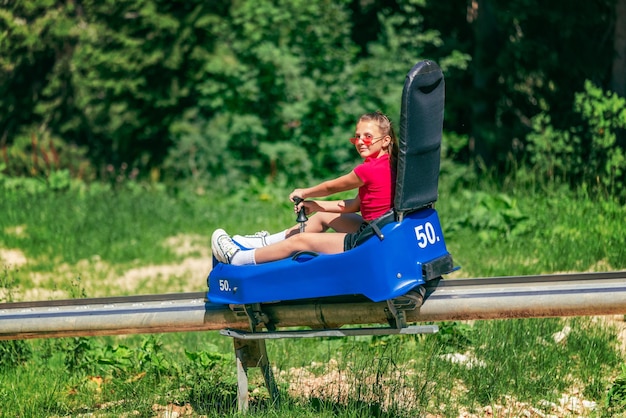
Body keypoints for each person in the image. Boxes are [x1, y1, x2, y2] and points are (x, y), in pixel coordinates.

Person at [211, 111, 398, 266]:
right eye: (357, 137)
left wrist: (304, 192)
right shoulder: (387, 164)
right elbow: (355, 205)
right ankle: (264, 242)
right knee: (323, 217)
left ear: (386, 140)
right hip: (379, 230)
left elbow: (330, 187)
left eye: (367, 137)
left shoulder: (369, 170)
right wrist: (316, 206)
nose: (360, 142)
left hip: (369, 241)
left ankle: (237, 259)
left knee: (300, 242)